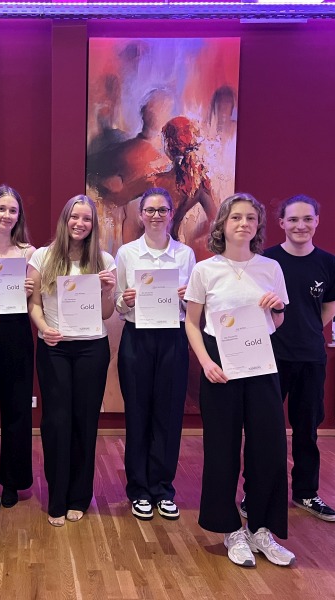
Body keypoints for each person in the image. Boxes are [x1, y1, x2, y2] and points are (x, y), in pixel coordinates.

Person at [184, 193, 295, 568]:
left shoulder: (271, 268)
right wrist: (205, 362)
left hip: (261, 363)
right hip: (220, 364)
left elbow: (277, 322)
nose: (243, 223)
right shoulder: (205, 270)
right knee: (222, 450)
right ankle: (230, 530)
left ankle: (261, 529)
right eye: (236, 217)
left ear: (258, 225)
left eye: (250, 218)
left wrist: (276, 309)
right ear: (223, 224)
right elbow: (192, 323)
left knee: (269, 449)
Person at [28, 194, 117, 527]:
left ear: (93, 224)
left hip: (92, 349)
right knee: (56, 421)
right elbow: (34, 303)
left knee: (85, 421)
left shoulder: (104, 260)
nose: (80, 224)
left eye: (87, 219)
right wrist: (43, 328)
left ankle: (79, 496)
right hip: (55, 348)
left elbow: (106, 313)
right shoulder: (42, 256)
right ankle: (58, 496)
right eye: (74, 217)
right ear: (65, 220)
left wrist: (107, 291)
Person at [260, 194, 335, 522]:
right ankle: (259, 494)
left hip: (311, 358)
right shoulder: (266, 262)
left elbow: (328, 309)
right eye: (293, 219)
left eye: (307, 218)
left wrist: (305, 332)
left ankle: (306, 492)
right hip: (270, 357)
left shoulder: (328, 263)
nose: (300, 225)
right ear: (281, 223)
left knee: (307, 429)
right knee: (266, 430)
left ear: (317, 221)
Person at [114, 188, 195, 521]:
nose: (156, 215)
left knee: (169, 414)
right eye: (150, 210)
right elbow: (117, 303)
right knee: (137, 413)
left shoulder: (185, 254)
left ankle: (162, 488)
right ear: (141, 215)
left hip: (173, 338)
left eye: (163, 210)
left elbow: (193, 306)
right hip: (137, 338)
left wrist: (186, 297)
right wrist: (126, 300)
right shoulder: (127, 253)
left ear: (172, 214)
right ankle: (138, 490)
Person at [0, 185, 36, 511]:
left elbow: (37, 301)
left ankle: (12, 481)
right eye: (1, 208)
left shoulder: (29, 253)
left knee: (17, 409)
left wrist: (30, 290)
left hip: (17, 335)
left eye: (12, 210)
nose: (6, 215)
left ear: (19, 216)